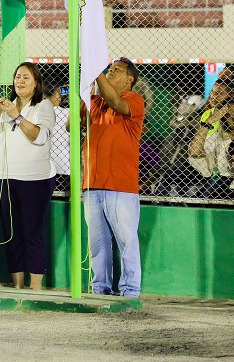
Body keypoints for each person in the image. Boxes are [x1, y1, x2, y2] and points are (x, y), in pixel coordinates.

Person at [70, 57, 144, 297]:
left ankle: (130, 291)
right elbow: (72, 125)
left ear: (129, 79)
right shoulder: (96, 101)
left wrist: (95, 71)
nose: (111, 72)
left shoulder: (133, 99)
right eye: (109, 69)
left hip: (120, 187)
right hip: (92, 185)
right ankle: (100, 289)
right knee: (98, 245)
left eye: (116, 70)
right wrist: (84, 92)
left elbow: (115, 101)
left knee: (127, 242)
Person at [0, 63, 55, 290]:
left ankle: (36, 286)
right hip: (6, 177)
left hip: (35, 180)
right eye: (17, 77)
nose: (20, 81)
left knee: (32, 232)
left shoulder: (43, 106)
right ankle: (17, 285)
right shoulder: (8, 106)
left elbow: (39, 137)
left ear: (36, 83)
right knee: (11, 233)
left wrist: (16, 116)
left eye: (26, 77)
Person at [44, 85, 70, 193]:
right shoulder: (68, 113)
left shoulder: (37, 113)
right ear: (58, 94)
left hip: (43, 168)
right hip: (64, 167)